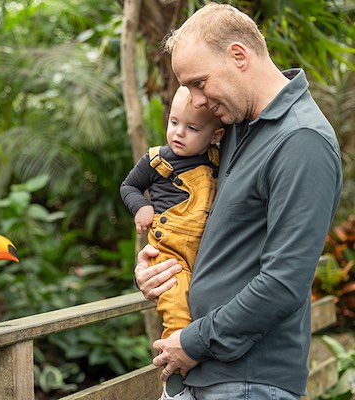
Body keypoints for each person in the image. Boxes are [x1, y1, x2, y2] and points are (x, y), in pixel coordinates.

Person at [134, 3, 342, 400]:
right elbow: (205, 233)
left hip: (249, 381)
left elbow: (284, 282)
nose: (195, 100)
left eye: (199, 82)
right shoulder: (232, 129)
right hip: (197, 374)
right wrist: (157, 267)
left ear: (238, 56)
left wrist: (193, 342)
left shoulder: (302, 141)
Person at [121, 86, 224, 399]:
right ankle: (176, 373)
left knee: (203, 304)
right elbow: (129, 186)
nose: (178, 133)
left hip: (204, 250)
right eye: (174, 122)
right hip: (169, 251)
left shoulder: (218, 160)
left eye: (192, 128)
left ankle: (201, 367)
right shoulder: (156, 160)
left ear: (216, 135)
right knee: (176, 304)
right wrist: (142, 206)